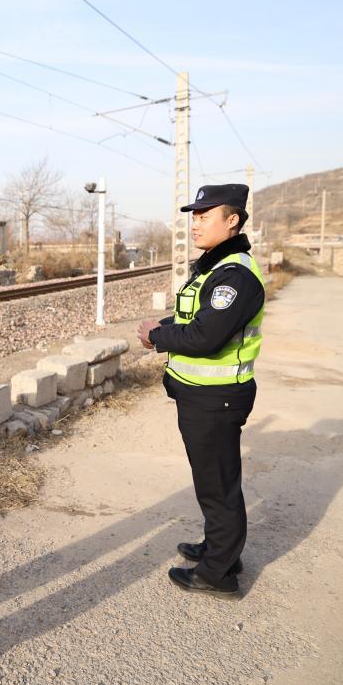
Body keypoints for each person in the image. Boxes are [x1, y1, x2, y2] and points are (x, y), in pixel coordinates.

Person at [136, 184, 265, 598]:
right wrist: (166, 327)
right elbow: (196, 315)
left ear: (232, 221)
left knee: (218, 483)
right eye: (194, 216)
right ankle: (220, 549)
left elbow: (207, 335)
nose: (195, 224)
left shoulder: (235, 275)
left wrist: (157, 336)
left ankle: (218, 574)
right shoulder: (215, 267)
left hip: (217, 396)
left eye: (205, 216)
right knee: (212, 479)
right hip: (204, 395)